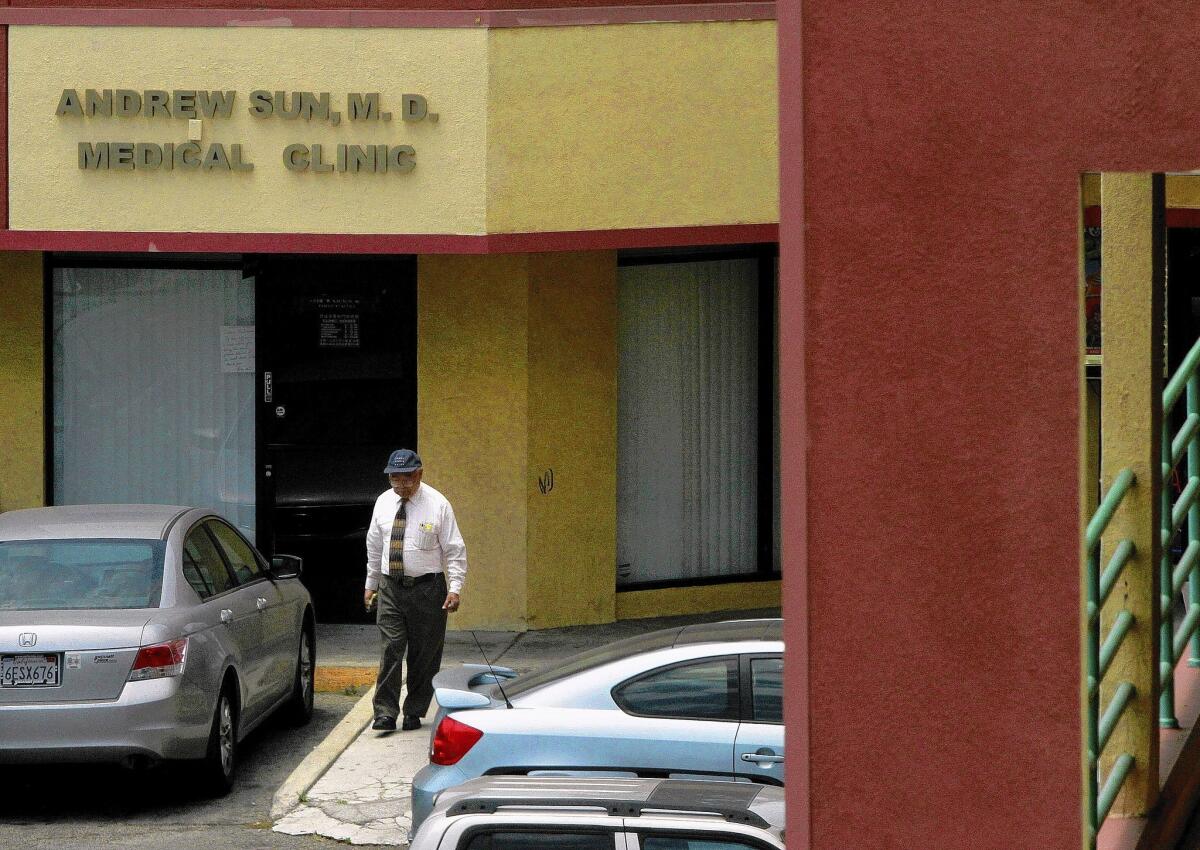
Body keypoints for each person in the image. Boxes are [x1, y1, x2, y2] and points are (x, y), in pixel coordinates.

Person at [364, 449, 466, 732]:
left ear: (419, 474)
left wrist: (455, 588)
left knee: (424, 654)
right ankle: (384, 712)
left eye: (406, 478)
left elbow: (454, 549)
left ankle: (415, 710)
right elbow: (374, 547)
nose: (400, 484)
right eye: (394, 478)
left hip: (427, 589)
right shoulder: (383, 503)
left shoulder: (438, 504)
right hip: (390, 588)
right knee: (391, 649)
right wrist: (370, 585)